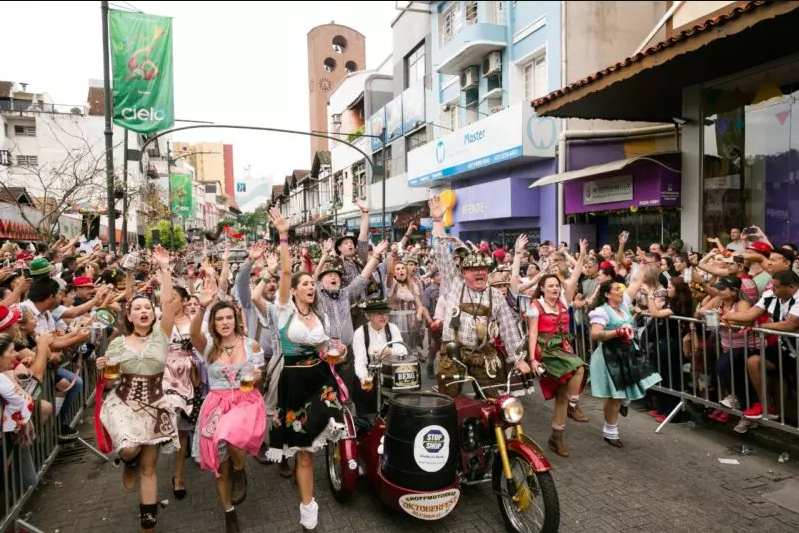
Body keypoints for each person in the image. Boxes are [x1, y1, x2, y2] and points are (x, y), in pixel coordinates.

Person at [265, 208, 347, 532]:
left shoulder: (321, 317)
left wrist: (334, 352)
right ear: (295, 290)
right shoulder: (285, 311)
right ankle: (306, 505)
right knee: (303, 452)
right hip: (294, 381)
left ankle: (333, 467)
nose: (311, 287)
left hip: (320, 378)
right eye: (305, 284)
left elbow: (326, 349)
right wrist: (283, 235)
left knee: (326, 423)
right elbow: (286, 272)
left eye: (313, 284)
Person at [95, 246, 179, 533]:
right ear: (128, 316)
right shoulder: (118, 343)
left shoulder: (160, 336)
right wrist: (103, 370)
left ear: (152, 315)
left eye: (147, 308)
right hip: (124, 402)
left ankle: (148, 526)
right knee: (130, 450)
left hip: (155, 405)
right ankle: (126, 462)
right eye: (137, 308)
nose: (143, 311)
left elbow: (168, 304)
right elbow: (109, 383)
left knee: (150, 468)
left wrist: (165, 269)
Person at [428, 197, 528, 398]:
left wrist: (518, 358)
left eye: (482, 268)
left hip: (484, 354)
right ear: (463, 273)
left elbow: (508, 328)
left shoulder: (495, 295)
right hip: (453, 354)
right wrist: (438, 221)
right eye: (473, 270)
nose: (479, 273)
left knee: (493, 402)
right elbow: (442, 255)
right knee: (448, 403)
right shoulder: (455, 283)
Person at [190, 292, 266, 533]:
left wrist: (257, 378)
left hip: (245, 401)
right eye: (219, 318)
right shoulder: (209, 346)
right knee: (220, 467)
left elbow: (259, 380)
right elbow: (193, 334)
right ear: (213, 323)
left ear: (236, 320)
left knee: (232, 436)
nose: (224, 322)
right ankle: (229, 514)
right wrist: (202, 306)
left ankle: (241, 470)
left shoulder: (251, 345)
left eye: (228, 317)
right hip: (216, 405)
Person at [526, 240, 590, 458]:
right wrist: (533, 360)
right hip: (546, 351)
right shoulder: (536, 307)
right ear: (542, 289)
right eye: (550, 286)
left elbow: (576, 275)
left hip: (561, 349)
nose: (555, 288)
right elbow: (533, 333)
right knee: (580, 367)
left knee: (562, 394)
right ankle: (574, 407)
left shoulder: (563, 301)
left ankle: (556, 438)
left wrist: (581, 255)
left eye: (556, 286)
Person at [588, 267, 661, 448]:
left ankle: (625, 402)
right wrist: (617, 332)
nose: (621, 291)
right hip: (610, 357)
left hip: (628, 352)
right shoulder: (602, 311)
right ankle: (610, 432)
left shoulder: (623, 303)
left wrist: (644, 263)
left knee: (634, 385)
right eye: (616, 290)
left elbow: (635, 282)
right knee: (614, 396)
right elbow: (595, 334)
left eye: (621, 289)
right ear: (607, 295)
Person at [163, 285, 205, 502]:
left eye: (174, 298)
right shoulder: (160, 322)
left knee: (182, 430)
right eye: (166, 299)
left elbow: (203, 343)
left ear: (185, 300)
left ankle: (178, 476)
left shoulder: (192, 322)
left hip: (189, 376)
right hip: (165, 377)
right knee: (167, 422)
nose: (170, 302)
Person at [351, 299, 408, 416]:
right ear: (369, 316)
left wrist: (390, 351)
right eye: (379, 313)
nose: (384, 316)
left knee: (392, 416)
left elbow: (404, 350)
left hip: (390, 378)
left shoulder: (392, 328)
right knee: (369, 416)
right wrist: (364, 378)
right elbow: (360, 361)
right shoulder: (360, 332)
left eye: (385, 313)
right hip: (370, 377)